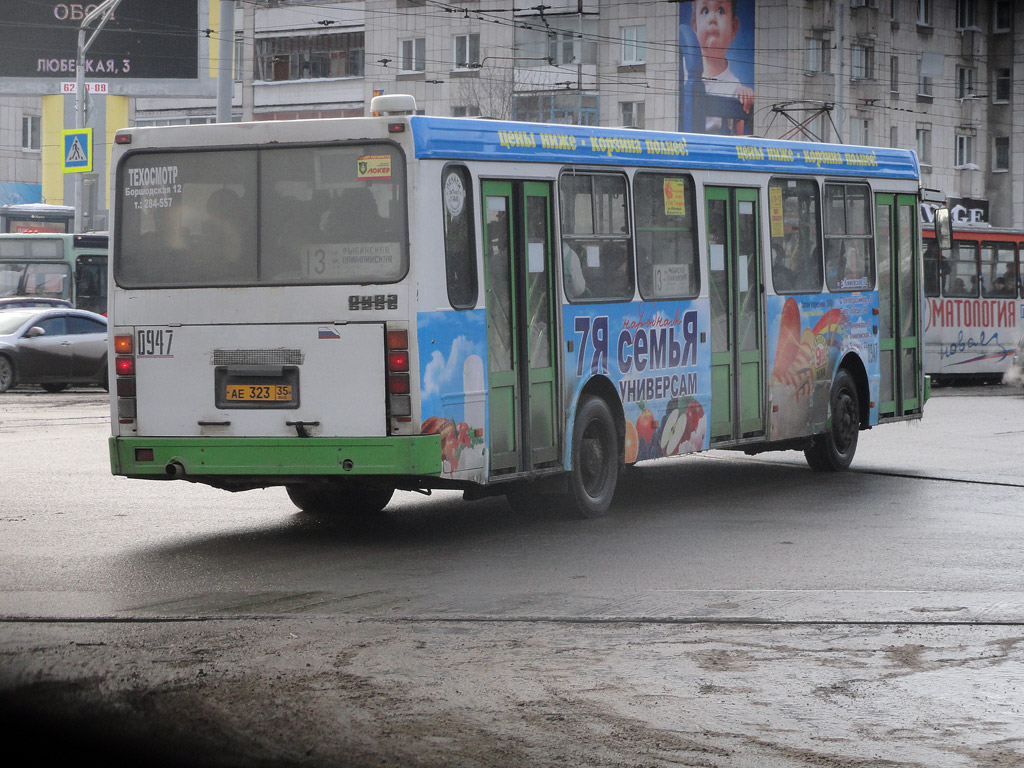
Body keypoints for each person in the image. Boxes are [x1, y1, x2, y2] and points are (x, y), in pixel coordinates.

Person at [691, 0, 753, 134]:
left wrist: (746, 99)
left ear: (734, 28)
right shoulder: (683, 74)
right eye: (705, 11)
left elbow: (741, 138)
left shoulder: (735, 86)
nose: (713, 19)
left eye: (720, 11)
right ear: (695, 26)